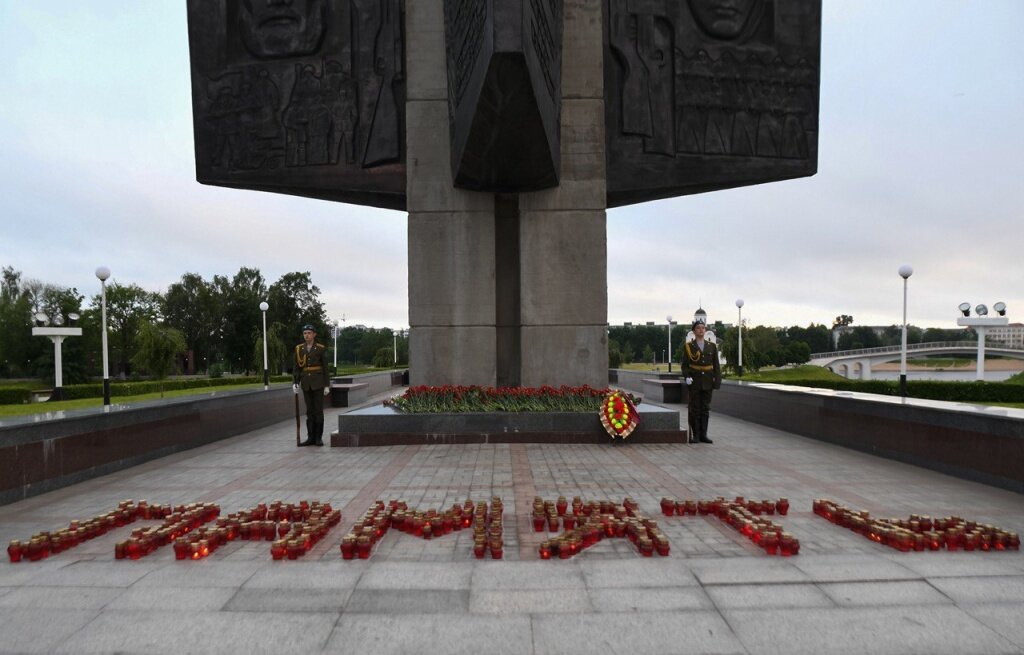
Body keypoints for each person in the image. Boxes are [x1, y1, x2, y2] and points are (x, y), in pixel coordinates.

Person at [681, 319, 721, 444]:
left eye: (703, 328)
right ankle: (696, 435)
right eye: (698, 328)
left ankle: (704, 434)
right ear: (694, 331)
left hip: (708, 380)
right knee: (695, 408)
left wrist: (717, 380)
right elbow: (685, 365)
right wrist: (687, 376)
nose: (701, 330)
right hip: (695, 380)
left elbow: (716, 365)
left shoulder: (712, 346)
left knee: (705, 408)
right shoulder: (689, 346)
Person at [293, 323, 331, 446]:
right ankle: (310, 438)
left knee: (318, 411)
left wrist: (326, 385)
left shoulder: (320, 348)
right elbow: (297, 367)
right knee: (309, 411)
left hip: (318, 383)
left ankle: (318, 438)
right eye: (305, 333)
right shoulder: (299, 349)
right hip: (306, 383)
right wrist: (295, 382)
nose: (307, 335)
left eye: (309, 333)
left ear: (314, 334)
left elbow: (325, 368)